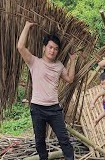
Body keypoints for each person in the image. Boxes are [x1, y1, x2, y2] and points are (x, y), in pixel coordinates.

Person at [17, 21, 76, 160]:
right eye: (50, 47)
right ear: (44, 48)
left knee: (64, 140)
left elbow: (70, 79)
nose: (52, 51)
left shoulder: (59, 66)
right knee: (39, 141)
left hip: (54, 109)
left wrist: (73, 61)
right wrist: (26, 26)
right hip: (37, 108)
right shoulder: (34, 62)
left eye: (55, 49)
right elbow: (20, 47)